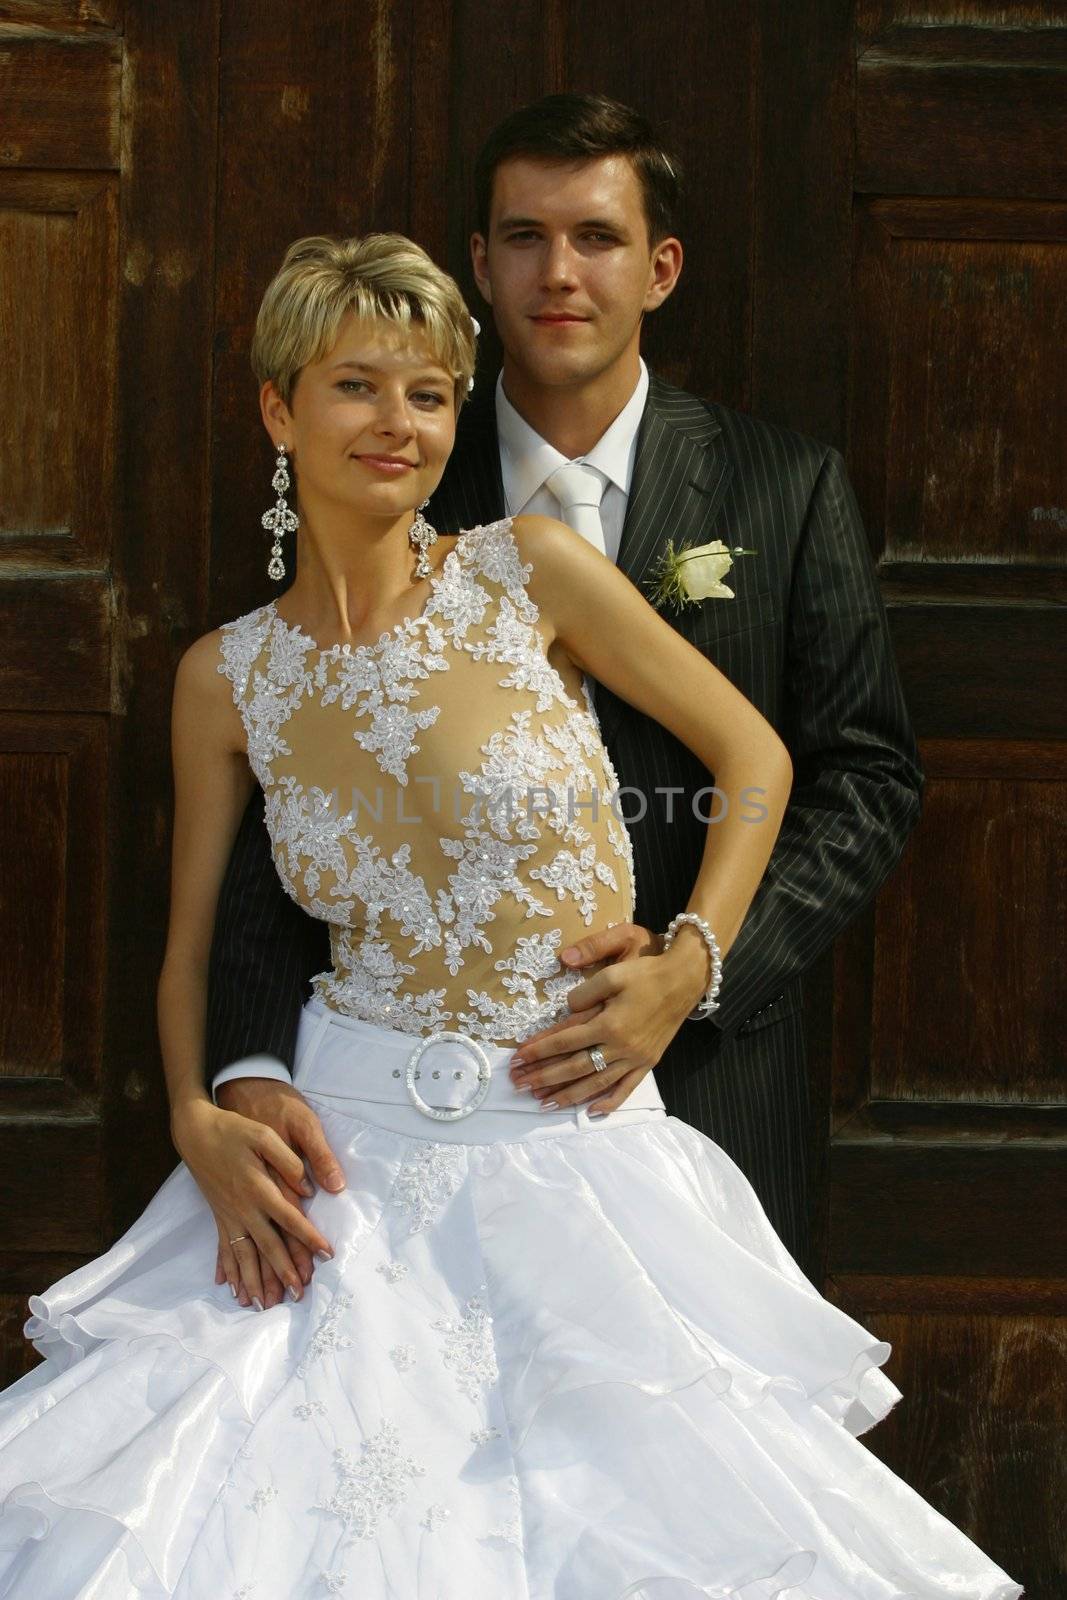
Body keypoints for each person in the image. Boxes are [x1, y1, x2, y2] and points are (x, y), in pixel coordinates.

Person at [0, 232, 1021, 1600]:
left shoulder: (524, 573)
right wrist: (197, 1110)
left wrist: (689, 953)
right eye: (357, 386)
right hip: (338, 1169)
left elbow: (756, 760)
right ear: (276, 408)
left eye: (429, 392)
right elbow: (194, 944)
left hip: (571, 1136)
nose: (398, 423)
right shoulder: (224, 678)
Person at [206, 95, 924, 1303]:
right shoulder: (385, 464)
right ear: (479, 266)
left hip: (709, 1085)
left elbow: (865, 775)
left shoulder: (782, 486)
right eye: (523, 238)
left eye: (595, 237)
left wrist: (695, 969)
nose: (559, 273)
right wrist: (242, 1064)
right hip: (397, 1128)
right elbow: (290, 782)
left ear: (660, 268)